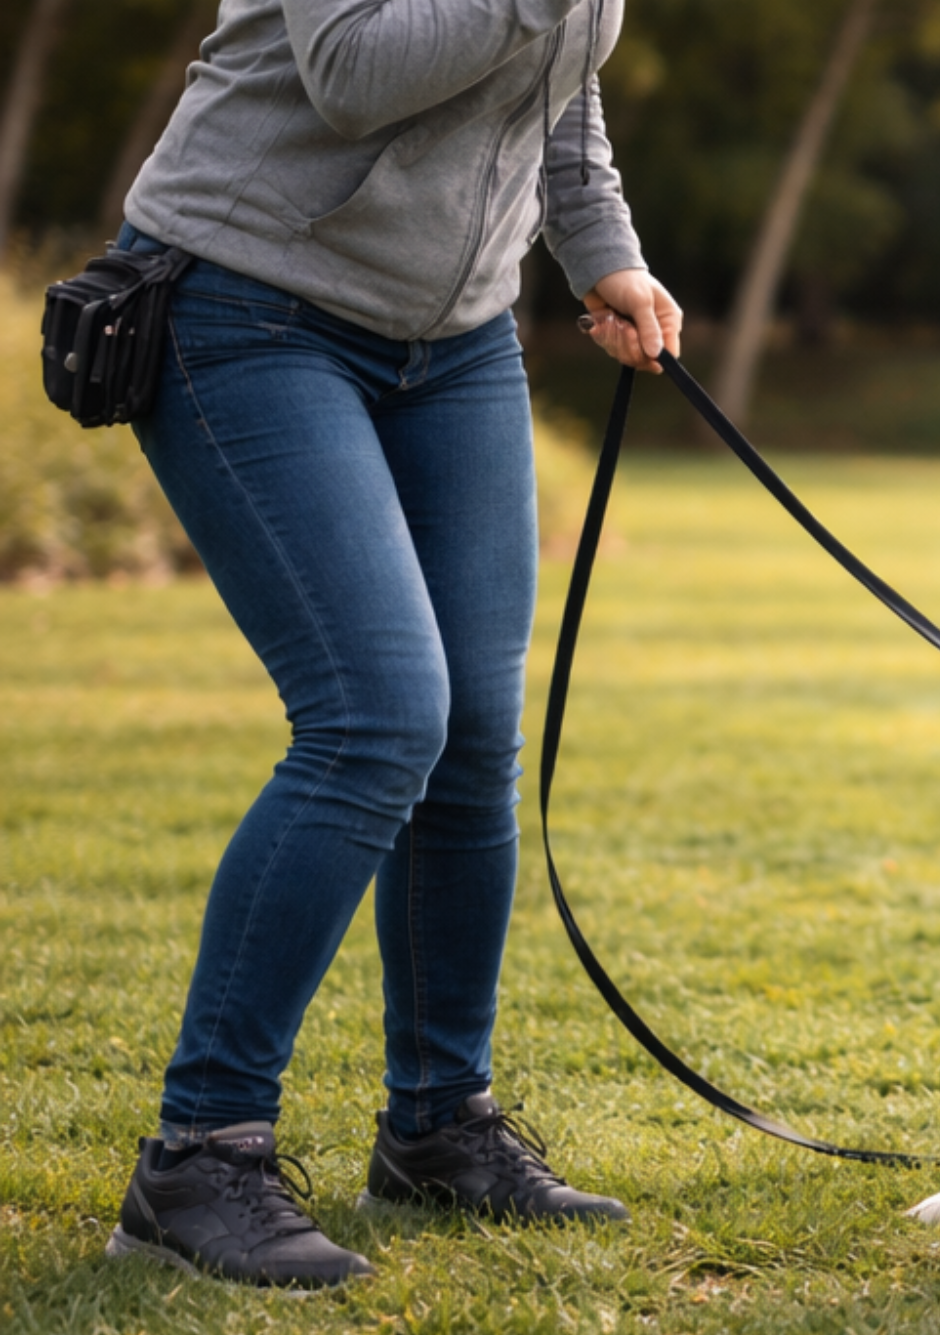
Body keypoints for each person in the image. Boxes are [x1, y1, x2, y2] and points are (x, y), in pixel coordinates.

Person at [101, 0, 679, 1290]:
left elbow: (557, 82)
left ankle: (439, 1128)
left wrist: (604, 251)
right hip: (249, 309)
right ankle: (199, 1156)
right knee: (375, 720)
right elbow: (351, 72)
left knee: (473, 733)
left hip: (455, 345)